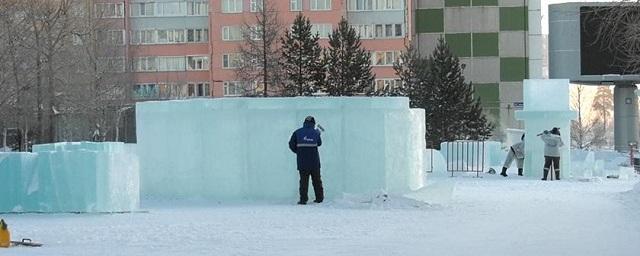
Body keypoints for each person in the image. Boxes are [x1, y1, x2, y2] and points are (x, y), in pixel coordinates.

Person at [288, 116, 324, 205]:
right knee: (316, 180)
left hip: (302, 162)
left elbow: (291, 144)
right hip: (314, 161)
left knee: (303, 181)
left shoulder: (297, 132)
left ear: (304, 123)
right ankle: (319, 198)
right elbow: (319, 143)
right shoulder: (316, 133)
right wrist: (317, 134)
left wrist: (298, 152)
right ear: (313, 124)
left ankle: (303, 200)